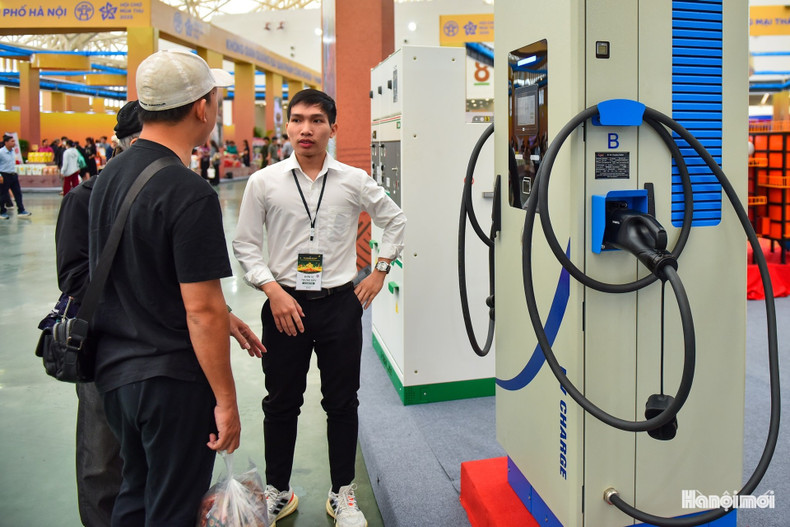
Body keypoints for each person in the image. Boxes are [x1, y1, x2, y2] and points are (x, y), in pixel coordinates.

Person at [56, 98, 263, 526]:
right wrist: (226, 401)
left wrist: (211, 308)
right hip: (139, 362)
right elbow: (76, 277)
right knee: (114, 472)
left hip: (125, 362)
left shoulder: (125, 185)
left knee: (136, 486)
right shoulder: (105, 194)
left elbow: (186, 287)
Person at [233, 89, 406, 527]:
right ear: (287, 126)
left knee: (342, 402)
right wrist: (272, 289)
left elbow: (395, 220)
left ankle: (342, 493)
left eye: (315, 120)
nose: (305, 129)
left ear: (333, 127)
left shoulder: (353, 180)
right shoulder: (264, 182)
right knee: (281, 402)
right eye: (297, 119)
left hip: (339, 305)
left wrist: (380, 270)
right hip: (284, 305)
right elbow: (246, 245)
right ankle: (278, 490)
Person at [0, 133, 32, 219]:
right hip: (4, 175)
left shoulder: (12, 151)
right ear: (6, 142)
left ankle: (21, 210)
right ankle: (2, 212)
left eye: (14, 141)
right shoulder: (1, 152)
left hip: (13, 175)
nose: (14, 143)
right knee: (3, 194)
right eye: (12, 141)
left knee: (18, 193)